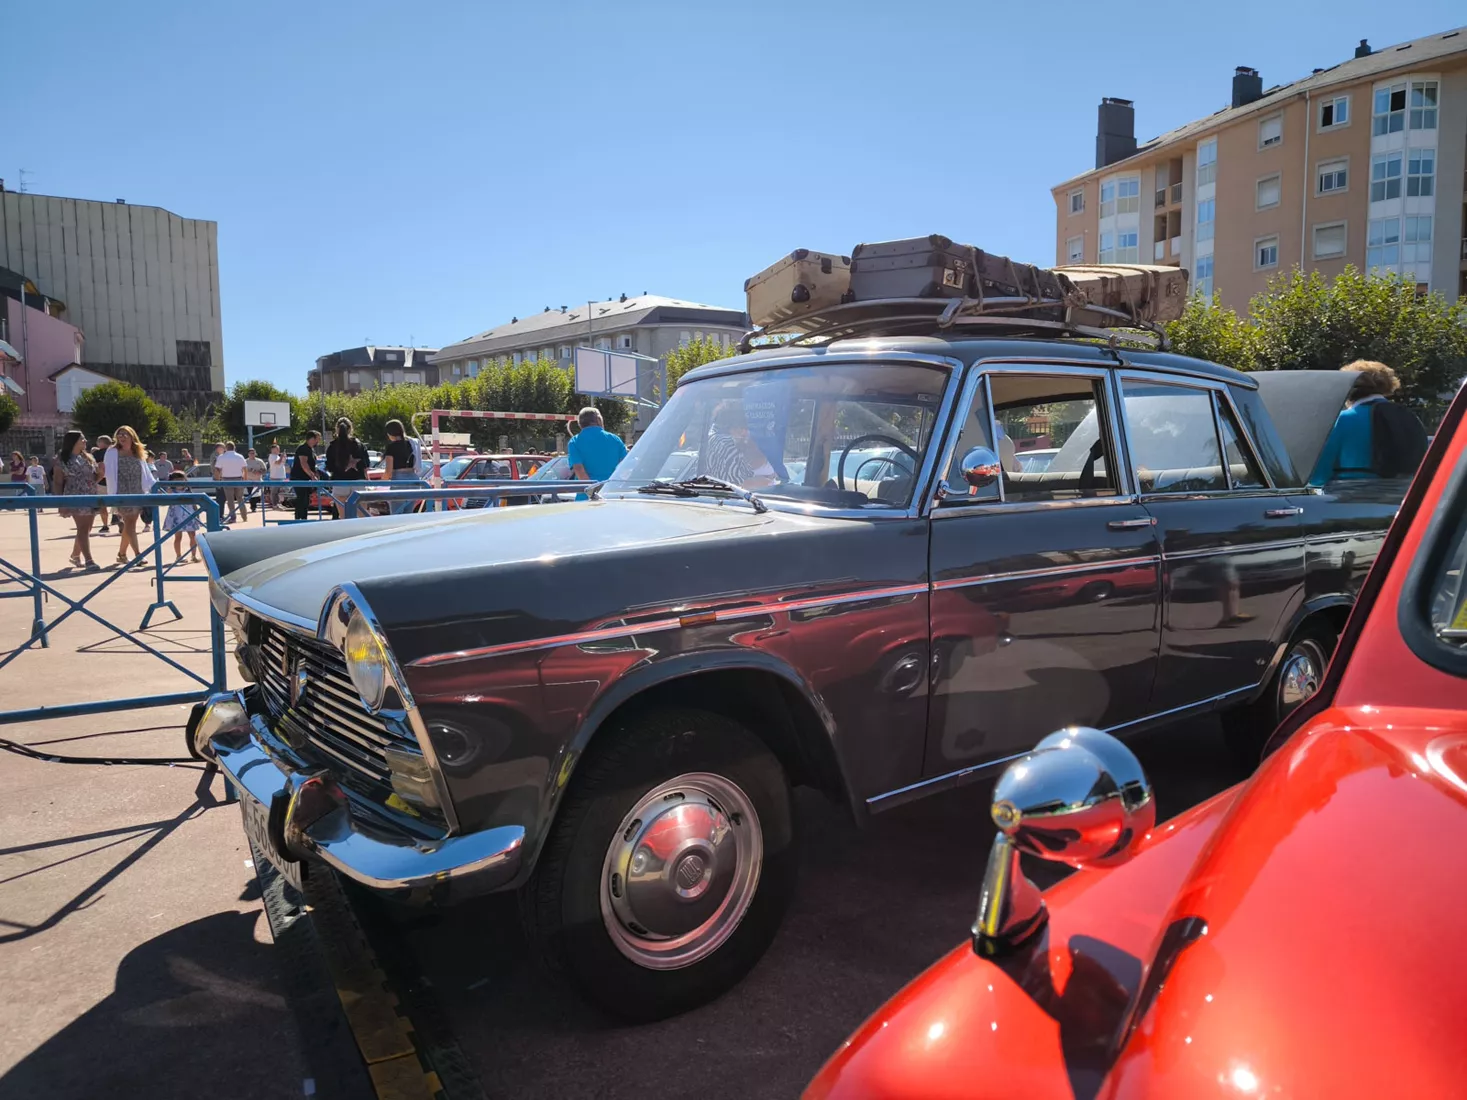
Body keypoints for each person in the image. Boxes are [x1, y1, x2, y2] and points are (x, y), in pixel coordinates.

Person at [1311, 360, 1430, 485]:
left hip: (1349, 496)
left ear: (1347, 389)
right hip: (1402, 496)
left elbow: (1318, 476)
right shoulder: (1408, 416)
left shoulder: (1342, 419)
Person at [104, 425, 155, 567]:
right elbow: (109, 474)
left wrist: (153, 487)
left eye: (125, 434)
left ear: (132, 436)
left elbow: (147, 473)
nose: (122, 436)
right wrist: (112, 496)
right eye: (119, 434)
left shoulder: (138, 452)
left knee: (130, 524)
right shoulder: (112, 451)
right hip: (121, 492)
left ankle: (122, 554)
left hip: (137, 491)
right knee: (130, 524)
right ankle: (138, 555)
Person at [53, 431, 99, 570]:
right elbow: (57, 482)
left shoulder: (88, 457)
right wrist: (61, 503)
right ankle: (89, 560)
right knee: (83, 528)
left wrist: (101, 474)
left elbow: (94, 478)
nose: (85, 441)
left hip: (90, 495)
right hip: (74, 495)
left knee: (87, 528)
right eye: (82, 439)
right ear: (73, 441)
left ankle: (75, 555)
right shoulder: (62, 459)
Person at [566, 407, 628, 499]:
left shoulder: (575, 441)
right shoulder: (615, 439)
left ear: (580, 424)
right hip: (611, 494)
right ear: (599, 420)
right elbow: (625, 466)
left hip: (586, 497)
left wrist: (593, 491)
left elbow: (578, 469)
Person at [324, 418, 369, 519]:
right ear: (350, 429)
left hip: (339, 482)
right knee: (362, 514)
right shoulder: (358, 444)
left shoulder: (332, 446)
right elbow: (366, 463)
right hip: (358, 481)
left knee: (343, 516)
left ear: (337, 429)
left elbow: (329, 466)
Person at [163, 470, 202, 563]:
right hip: (176, 516)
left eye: (181, 479)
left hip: (189, 514)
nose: (179, 482)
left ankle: (193, 555)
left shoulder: (188, 491)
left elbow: (194, 504)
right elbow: (164, 500)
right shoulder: (171, 491)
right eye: (176, 480)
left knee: (193, 536)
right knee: (178, 537)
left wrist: (197, 515)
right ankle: (179, 556)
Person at [382, 419, 417, 514]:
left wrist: (380, 482)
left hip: (399, 480)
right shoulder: (411, 444)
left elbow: (388, 472)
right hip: (414, 479)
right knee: (408, 514)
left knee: (396, 514)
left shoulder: (391, 447)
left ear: (390, 433)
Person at [291, 429, 324, 520]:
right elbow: (304, 463)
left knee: (306, 500)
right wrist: (312, 476)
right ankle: (298, 519)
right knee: (301, 499)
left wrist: (315, 473)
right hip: (298, 478)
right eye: (317, 439)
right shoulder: (303, 448)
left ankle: (303, 518)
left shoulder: (311, 449)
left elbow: (312, 464)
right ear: (311, 438)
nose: (318, 441)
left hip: (306, 478)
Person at [213, 440, 247, 522]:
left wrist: (218, 480)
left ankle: (233, 517)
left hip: (226, 479)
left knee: (230, 500)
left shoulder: (221, 457)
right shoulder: (240, 456)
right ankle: (244, 517)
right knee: (240, 499)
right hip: (239, 479)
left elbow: (217, 470)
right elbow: (245, 469)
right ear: (234, 447)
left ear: (226, 448)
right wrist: (245, 480)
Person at [91, 434, 113, 534]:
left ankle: (105, 525)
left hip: (101, 482)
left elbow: (94, 468)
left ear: (101, 443)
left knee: (102, 505)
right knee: (118, 503)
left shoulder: (97, 454)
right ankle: (119, 519)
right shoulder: (116, 453)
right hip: (114, 481)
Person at [243, 447, 267, 512]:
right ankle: (253, 507)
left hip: (258, 480)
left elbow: (264, 470)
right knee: (251, 494)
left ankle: (255, 504)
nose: (252, 454)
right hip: (249, 481)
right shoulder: (245, 461)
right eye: (251, 453)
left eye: (253, 453)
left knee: (256, 495)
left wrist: (259, 472)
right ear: (248, 454)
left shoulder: (259, 461)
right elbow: (241, 470)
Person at [266, 443, 288, 507]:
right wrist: (281, 457)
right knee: (274, 492)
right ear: (272, 450)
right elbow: (277, 463)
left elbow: (282, 463)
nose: (278, 450)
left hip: (281, 476)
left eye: (278, 448)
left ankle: (279, 503)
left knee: (280, 492)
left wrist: (284, 457)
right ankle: (274, 504)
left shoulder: (278, 456)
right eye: (277, 449)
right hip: (275, 477)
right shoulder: (272, 456)